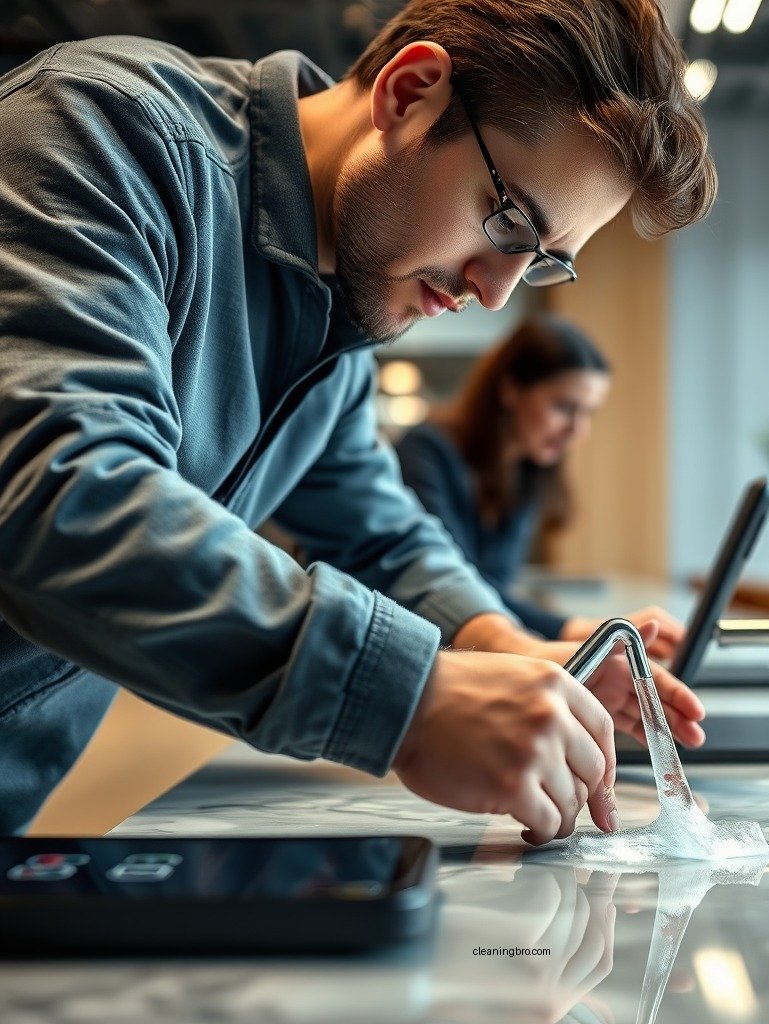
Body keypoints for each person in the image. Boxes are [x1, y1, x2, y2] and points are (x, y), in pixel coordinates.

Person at [0, 0, 717, 841]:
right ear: (411, 93)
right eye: (511, 220)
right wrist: (411, 695)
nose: (496, 290)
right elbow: (57, 488)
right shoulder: (100, 132)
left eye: (544, 260)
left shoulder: (342, 301)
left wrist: (500, 643)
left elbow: (378, 534)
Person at [397, 314, 685, 651]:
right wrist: (576, 629)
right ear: (510, 389)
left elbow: (493, 585)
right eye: (565, 407)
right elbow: (456, 585)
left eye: (589, 412)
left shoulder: (529, 470)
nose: (579, 431)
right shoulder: (425, 452)